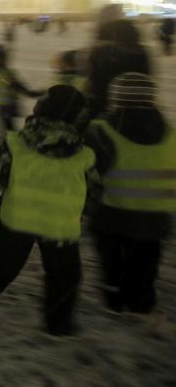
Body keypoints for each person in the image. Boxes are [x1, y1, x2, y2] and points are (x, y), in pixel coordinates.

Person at [0, 85, 96, 336]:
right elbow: (93, 189)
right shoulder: (83, 153)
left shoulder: (16, 143)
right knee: (65, 275)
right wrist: (88, 210)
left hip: (17, 219)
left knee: (1, 267)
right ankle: (59, 323)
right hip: (60, 225)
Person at [85, 73, 173, 315]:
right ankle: (142, 298)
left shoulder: (101, 131)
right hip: (156, 218)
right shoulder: (171, 135)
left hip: (112, 213)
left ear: (117, 99)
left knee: (112, 259)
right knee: (146, 257)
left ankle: (114, 295)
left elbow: (90, 170)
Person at [0, 45, 42, 131]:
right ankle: (11, 139)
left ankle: (13, 141)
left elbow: (17, 86)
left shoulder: (5, 73)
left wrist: (31, 93)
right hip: (2, 105)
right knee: (7, 126)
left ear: (0, 60)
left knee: (9, 127)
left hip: (8, 106)